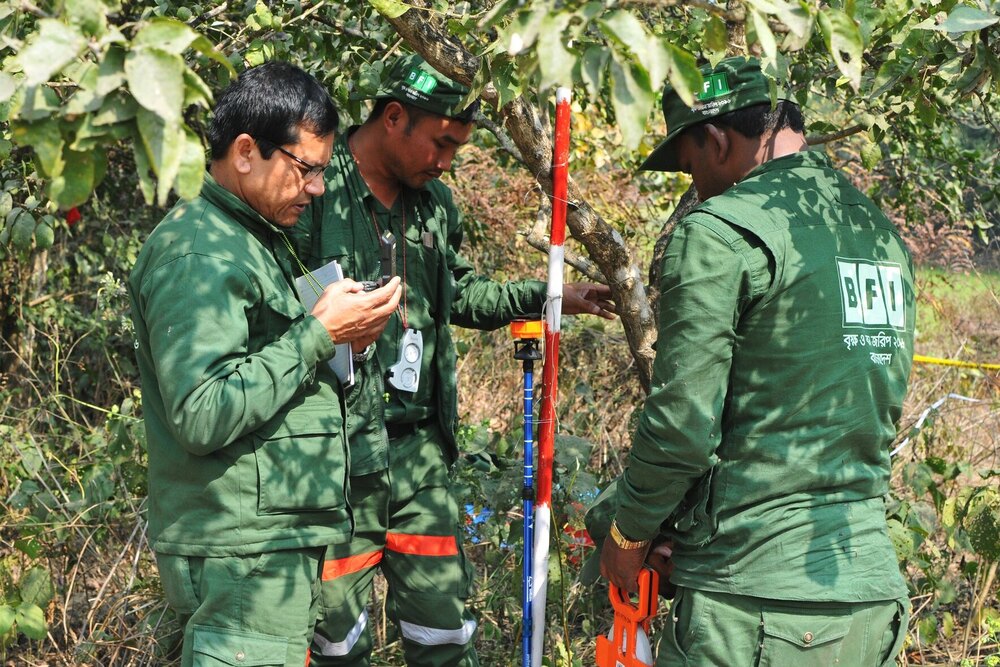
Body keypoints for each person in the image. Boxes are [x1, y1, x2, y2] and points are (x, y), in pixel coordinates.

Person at [293, 54, 615, 666]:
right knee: (334, 638)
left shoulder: (436, 204)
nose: (445, 162)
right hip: (333, 458)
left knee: (442, 628)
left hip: (419, 455)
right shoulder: (314, 189)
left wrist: (553, 297)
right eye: (440, 143)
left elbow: (460, 293)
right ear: (393, 117)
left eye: (456, 150)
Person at [594, 56, 915, 666]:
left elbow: (683, 427)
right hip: (871, 600)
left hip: (751, 604)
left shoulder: (720, 231)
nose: (696, 191)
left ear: (716, 141)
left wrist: (628, 534)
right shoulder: (879, 233)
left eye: (691, 169)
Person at [127, 61, 401, 667]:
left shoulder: (255, 239)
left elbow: (268, 369)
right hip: (239, 555)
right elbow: (201, 412)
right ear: (247, 152)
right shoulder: (199, 250)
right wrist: (316, 335)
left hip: (265, 545)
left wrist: (344, 339)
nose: (318, 189)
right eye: (307, 169)